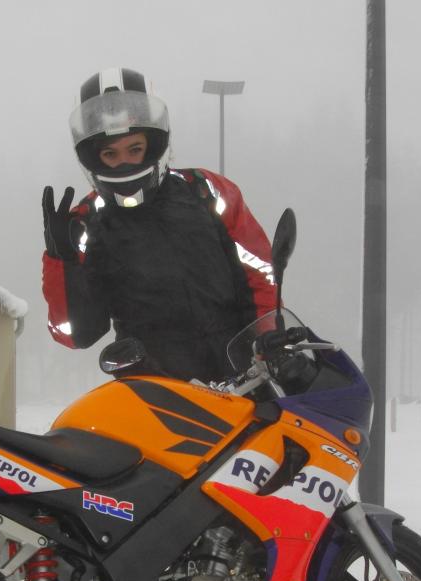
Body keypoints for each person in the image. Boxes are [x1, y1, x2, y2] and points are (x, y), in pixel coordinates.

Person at [41, 67, 277, 383]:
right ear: (93, 158)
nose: (124, 162)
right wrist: (61, 261)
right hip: (154, 391)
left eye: (134, 149)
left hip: (242, 379)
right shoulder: (84, 224)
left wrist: (268, 336)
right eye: (110, 154)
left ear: (154, 143)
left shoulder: (205, 190)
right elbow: (75, 334)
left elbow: (261, 273)